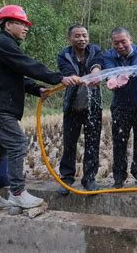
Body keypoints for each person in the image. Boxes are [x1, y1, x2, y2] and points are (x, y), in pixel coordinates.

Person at [0, 5, 78, 213]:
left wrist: (36, 88)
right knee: (17, 144)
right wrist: (58, 77)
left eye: (26, 25)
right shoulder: (2, 44)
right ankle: (17, 194)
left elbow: (16, 76)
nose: (26, 28)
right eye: (21, 24)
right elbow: (26, 64)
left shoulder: (4, 46)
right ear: (7, 25)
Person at [57, 25, 103, 195]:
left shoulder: (95, 50)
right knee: (69, 143)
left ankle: (89, 178)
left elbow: (98, 64)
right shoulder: (64, 54)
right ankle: (67, 178)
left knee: (93, 143)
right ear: (70, 38)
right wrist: (75, 78)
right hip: (72, 107)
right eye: (77, 36)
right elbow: (67, 72)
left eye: (84, 35)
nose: (82, 39)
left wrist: (96, 72)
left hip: (93, 107)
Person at [104, 27, 137, 188]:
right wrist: (112, 78)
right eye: (116, 43)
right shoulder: (108, 55)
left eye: (123, 41)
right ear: (112, 43)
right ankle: (119, 177)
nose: (120, 46)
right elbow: (110, 70)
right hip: (120, 107)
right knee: (119, 143)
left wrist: (126, 74)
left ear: (130, 39)